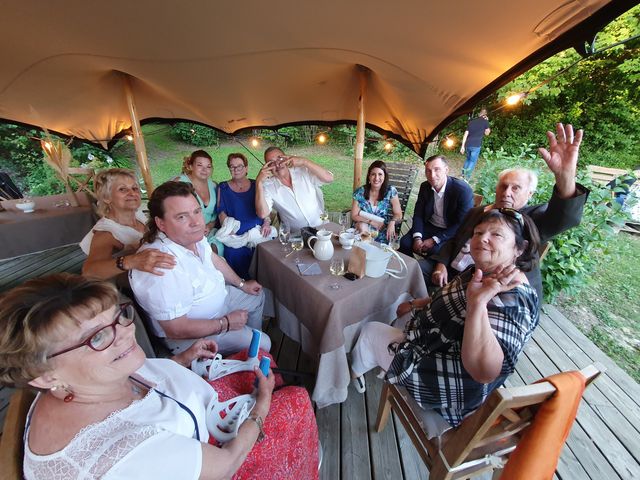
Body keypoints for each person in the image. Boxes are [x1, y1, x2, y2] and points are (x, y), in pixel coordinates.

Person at [0, 274, 319, 480]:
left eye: (120, 316)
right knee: (294, 399)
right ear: (42, 375)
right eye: (97, 337)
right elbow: (225, 465)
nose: (126, 332)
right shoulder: (123, 455)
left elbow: (140, 378)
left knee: (262, 360)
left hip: (194, 410)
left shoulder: (79, 382)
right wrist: (262, 405)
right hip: (218, 458)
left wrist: (182, 359)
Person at [350, 209, 541, 426]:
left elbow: (484, 371)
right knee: (398, 318)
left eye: (496, 235)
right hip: (431, 338)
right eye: (478, 233)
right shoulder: (481, 271)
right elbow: (449, 295)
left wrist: (477, 304)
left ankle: (354, 373)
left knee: (370, 331)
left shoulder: (514, 299)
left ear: (520, 248)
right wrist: (415, 304)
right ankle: (379, 359)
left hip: (445, 386)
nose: (482, 239)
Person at [432, 123, 589, 302]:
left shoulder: (530, 220)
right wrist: (441, 264)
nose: (507, 192)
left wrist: (565, 176)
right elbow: (454, 241)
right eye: (504, 186)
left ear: (529, 194)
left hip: (494, 292)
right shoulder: (477, 212)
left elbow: (564, 218)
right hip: (453, 274)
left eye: (516, 188)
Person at [130, 181, 271, 355]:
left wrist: (242, 284)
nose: (196, 222)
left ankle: (246, 346)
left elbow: (213, 259)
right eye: (181, 217)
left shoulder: (190, 236)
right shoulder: (162, 264)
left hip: (218, 301)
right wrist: (226, 323)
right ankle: (246, 351)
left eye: (197, 212)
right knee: (264, 344)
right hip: (191, 336)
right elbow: (176, 329)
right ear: (161, 224)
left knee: (257, 296)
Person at [80, 168, 176, 281]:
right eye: (123, 189)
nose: (132, 193)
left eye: (135, 188)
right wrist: (132, 261)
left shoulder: (140, 213)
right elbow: (89, 272)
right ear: (106, 197)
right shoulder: (106, 233)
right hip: (137, 287)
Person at [399, 155, 473, 279]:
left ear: (446, 170)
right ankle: (406, 272)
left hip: (449, 231)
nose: (432, 175)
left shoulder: (462, 190)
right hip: (430, 225)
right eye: (428, 170)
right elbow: (418, 214)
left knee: (434, 251)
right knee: (405, 242)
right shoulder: (425, 187)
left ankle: (425, 277)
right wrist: (418, 237)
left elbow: (462, 224)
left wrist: (435, 239)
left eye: (437, 169)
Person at [217, 153, 271, 279]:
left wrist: (267, 223)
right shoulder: (223, 187)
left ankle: (264, 281)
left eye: (240, 166)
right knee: (232, 252)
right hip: (236, 233)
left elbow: (266, 208)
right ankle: (241, 284)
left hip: (257, 230)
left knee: (267, 250)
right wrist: (229, 230)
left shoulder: (256, 184)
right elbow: (221, 212)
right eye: (232, 166)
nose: (236, 170)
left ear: (246, 168)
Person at [255, 147, 334, 230]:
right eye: (271, 163)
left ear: (287, 158)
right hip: (296, 237)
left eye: (280, 159)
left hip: (322, 227)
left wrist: (304, 161)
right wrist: (258, 182)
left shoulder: (303, 171)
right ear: (267, 167)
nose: (277, 164)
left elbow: (329, 178)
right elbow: (263, 214)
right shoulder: (268, 186)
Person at [177, 150, 225, 255]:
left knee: (217, 247)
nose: (204, 170)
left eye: (208, 166)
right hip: (186, 232)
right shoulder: (179, 183)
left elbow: (215, 214)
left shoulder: (213, 185)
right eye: (200, 165)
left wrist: (209, 226)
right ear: (190, 166)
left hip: (207, 231)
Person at [350, 160, 403, 243]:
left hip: (381, 229)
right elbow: (354, 215)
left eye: (380, 174)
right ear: (369, 176)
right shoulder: (360, 192)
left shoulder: (390, 191)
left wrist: (392, 222)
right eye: (373, 174)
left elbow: (398, 214)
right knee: (362, 227)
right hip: (362, 228)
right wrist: (371, 222)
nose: (376, 178)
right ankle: (363, 248)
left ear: (385, 176)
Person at [460, 108, 490, 179]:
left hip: (468, 144)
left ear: (479, 114)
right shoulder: (485, 122)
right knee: (472, 161)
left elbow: (466, 134)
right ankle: (466, 178)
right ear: (485, 115)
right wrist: (487, 121)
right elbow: (487, 133)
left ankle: (462, 175)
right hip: (476, 145)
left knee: (468, 159)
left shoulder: (471, 122)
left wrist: (462, 146)